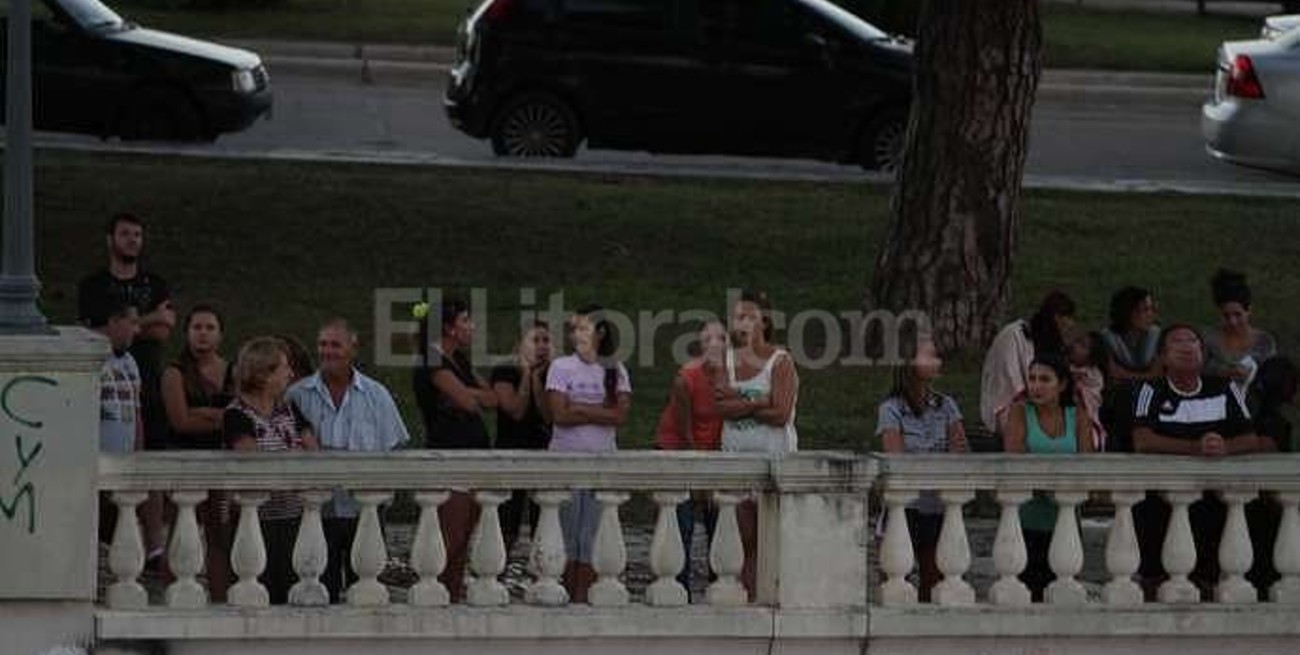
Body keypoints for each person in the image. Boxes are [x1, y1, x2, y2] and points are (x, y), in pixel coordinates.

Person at [1131, 324, 1272, 599]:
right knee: (1159, 584)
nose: (1186, 347)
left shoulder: (1224, 388)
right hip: (1161, 505)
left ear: (1202, 351)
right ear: (1162, 357)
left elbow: (1250, 438)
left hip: (1213, 503)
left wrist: (1225, 446)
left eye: (1192, 340)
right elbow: (1143, 440)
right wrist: (1195, 447)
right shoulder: (1150, 389)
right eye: (1177, 342)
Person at [288, 318, 410, 603]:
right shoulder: (297, 395)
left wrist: (382, 497)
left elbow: (394, 451)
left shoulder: (376, 395)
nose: (327, 351)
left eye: (335, 344)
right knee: (318, 593)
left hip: (364, 513)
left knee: (366, 594)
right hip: (317, 513)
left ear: (352, 349)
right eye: (323, 344)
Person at [78, 212, 176, 567]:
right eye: (126, 233)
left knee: (148, 461)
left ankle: (154, 546)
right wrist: (145, 321)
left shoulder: (155, 282)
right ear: (110, 239)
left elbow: (166, 330)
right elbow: (88, 331)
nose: (133, 240)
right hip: (105, 392)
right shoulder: (94, 285)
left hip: (145, 381)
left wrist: (130, 325)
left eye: (138, 234)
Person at [714, 290, 798, 600]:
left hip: (772, 458)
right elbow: (721, 408)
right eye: (738, 317)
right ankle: (748, 599)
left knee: (770, 539)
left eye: (749, 316)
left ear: (764, 321)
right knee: (743, 539)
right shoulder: (727, 360)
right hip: (736, 460)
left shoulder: (781, 361)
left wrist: (742, 402)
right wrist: (758, 400)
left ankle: (772, 599)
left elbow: (781, 413)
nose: (742, 322)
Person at [413, 298, 498, 602]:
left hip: (472, 457)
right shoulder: (431, 361)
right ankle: (436, 594)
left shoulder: (458, 361)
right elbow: (472, 402)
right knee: (451, 535)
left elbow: (491, 398)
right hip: (449, 459)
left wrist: (468, 393)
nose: (472, 326)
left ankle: (453, 593)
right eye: (466, 320)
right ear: (448, 327)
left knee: (465, 538)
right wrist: (468, 395)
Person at [546, 304, 632, 603]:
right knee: (568, 534)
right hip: (566, 460)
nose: (577, 334)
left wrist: (580, 408)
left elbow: (620, 416)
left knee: (591, 535)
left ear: (600, 332)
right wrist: (599, 412)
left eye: (583, 328)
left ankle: (584, 594)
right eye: (574, 329)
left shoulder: (615, 369)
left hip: (601, 462)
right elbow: (559, 415)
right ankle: (568, 593)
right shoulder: (560, 367)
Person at [224, 337, 319, 604]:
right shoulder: (237, 415)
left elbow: (313, 453)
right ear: (264, 374)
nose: (291, 373)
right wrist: (293, 461)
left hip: (294, 519)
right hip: (256, 522)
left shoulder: (289, 409)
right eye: (283, 367)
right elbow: (254, 464)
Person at [875, 335, 967, 602]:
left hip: (939, 505)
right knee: (893, 577)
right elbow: (897, 457)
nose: (937, 361)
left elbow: (960, 449)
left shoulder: (946, 405)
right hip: (905, 506)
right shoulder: (892, 409)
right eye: (928, 355)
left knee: (935, 578)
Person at [1002, 354, 1093, 601]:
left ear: (1062, 384)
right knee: (1026, 595)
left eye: (1045, 379)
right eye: (1031, 379)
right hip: (1026, 521)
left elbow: (1087, 466)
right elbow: (1015, 461)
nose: (1036, 386)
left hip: (1065, 521)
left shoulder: (1078, 417)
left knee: (1063, 594)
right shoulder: (1020, 412)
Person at [160, 304, 234, 600]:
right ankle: (171, 595)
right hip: (184, 459)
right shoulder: (174, 373)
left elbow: (239, 415)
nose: (202, 334)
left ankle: (220, 598)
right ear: (187, 332)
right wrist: (218, 416)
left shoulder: (232, 370)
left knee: (219, 533)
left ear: (220, 334)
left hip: (220, 460)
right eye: (197, 328)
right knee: (181, 530)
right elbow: (180, 421)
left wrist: (204, 413)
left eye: (209, 328)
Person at [654, 320, 727, 596]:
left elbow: (727, 424)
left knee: (718, 520)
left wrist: (713, 469)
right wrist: (698, 474)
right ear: (700, 344)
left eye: (720, 338)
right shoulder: (687, 377)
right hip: (679, 448)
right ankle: (678, 589)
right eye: (707, 339)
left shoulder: (733, 377)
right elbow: (684, 430)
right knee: (680, 523)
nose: (714, 344)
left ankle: (718, 586)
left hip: (713, 454)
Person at [491, 321, 554, 551]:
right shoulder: (504, 371)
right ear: (520, 345)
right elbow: (515, 411)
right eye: (535, 340)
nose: (542, 346)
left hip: (544, 452)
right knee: (506, 522)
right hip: (511, 451)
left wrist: (537, 380)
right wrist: (526, 374)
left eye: (546, 340)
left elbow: (549, 416)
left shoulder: (555, 374)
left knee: (544, 523)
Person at [979, 291, 1076, 434]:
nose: (1071, 325)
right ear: (1057, 317)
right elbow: (1012, 383)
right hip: (1008, 406)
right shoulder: (1014, 335)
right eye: (1068, 319)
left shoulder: (1050, 342)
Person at [93, 301, 143, 546]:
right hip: (95, 461)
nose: (138, 330)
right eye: (132, 323)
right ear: (113, 321)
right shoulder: (91, 361)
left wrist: (138, 454)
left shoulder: (129, 362)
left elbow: (136, 414)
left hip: (124, 463)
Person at [1204, 269, 1276, 388]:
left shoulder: (1265, 342)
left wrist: (1252, 375)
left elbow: (1272, 378)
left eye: (1238, 315)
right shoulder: (1208, 339)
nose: (1233, 322)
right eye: (1226, 316)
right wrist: (1221, 372)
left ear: (1248, 311)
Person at [1100, 286, 1161, 381]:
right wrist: (1145, 375)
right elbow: (1113, 374)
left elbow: (1157, 374)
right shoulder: (1108, 338)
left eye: (1152, 309)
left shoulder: (1157, 336)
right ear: (1127, 312)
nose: (1150, 315)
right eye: (1145, 310)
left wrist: (1127, 375)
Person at [1068, 330, 1109, 452]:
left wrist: (1077, 385)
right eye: (1077, 341)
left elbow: (1093, 398)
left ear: (1092, 358)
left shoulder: (1095, 376)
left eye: (1082, 346)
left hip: (1088, 419)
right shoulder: (1065, 366)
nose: (1075, 346)